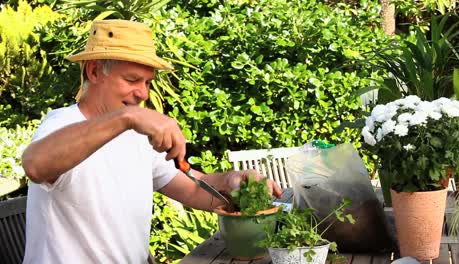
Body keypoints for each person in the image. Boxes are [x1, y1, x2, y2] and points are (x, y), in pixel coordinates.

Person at [21, 19, 282, 263]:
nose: (143, 93)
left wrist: (229, 182)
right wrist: (128, 116)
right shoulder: (63, 123)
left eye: (147, 82)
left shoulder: (134, 135)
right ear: (95, 71)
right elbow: (35, 165)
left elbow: (192, 189)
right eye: (132, 80)